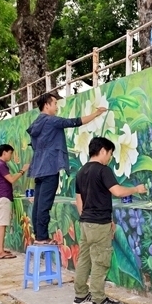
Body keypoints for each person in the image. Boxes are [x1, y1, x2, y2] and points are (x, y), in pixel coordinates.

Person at [72, 137, 147, 304]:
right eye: (110, 154)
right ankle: (98, 300)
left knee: (84, 259)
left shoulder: (81, 172)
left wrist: (87, 218)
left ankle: (80, 295)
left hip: (85, 223)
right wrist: (136, 189)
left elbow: (78, 200)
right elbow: (118, 191)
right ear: (103, 151)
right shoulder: (103, 170)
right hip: (98, 224)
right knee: (100, 262)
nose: (110, 158)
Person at [27, 92, 108, 245]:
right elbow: (75, 122)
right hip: (50, 167)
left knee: (38, 203)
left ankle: (39, 235)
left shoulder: (37, 123)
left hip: (38, 168)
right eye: (55, 104)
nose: (56, 107)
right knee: (45, 204)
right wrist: (96, 113)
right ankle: (42, 237)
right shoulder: (51, 121)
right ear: (47, 105)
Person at [0, 144, 30, 259]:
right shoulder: (1, 165)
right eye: (10, 153)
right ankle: (0, 252)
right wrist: (23, 170)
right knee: (2, 225)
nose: (11, 156)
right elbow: (11, 179)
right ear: (4, 152)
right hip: (4, 198)